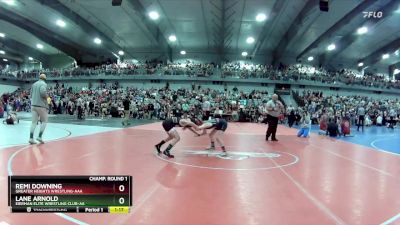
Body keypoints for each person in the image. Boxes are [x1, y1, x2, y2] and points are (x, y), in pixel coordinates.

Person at [29, 74, 48, 144]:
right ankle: (39, 136)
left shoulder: (34, 84)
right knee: (44, 121)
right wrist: (48, 98)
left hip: (33, 105)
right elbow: (43, 93)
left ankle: (31, 138)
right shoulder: (44, 84)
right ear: (45, 79)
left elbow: (30, 95)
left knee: (33, 122)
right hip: (41, 106)